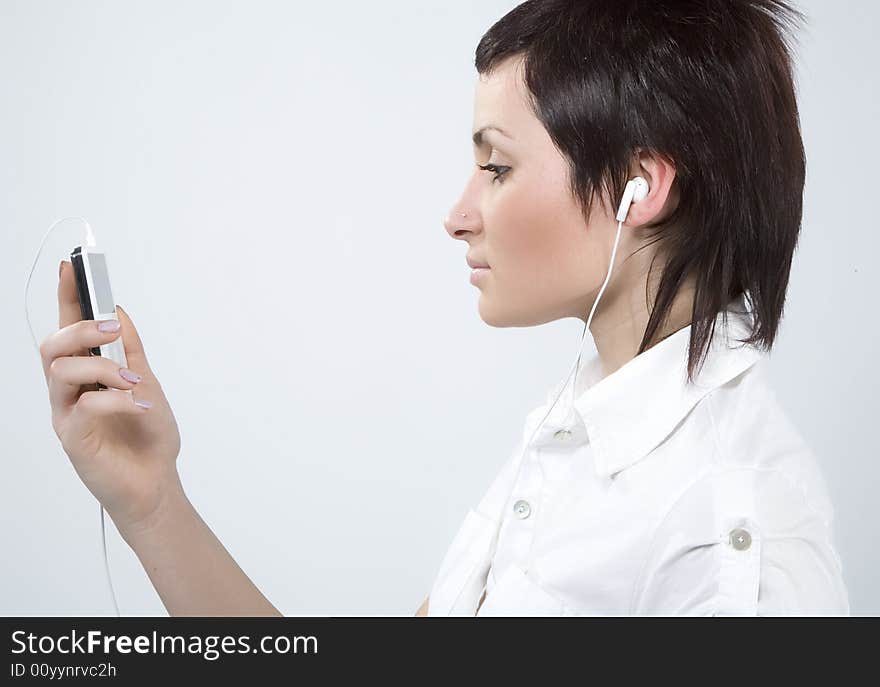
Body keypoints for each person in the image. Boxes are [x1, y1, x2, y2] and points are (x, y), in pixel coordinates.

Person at [38, 0, 849, 617]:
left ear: (643, 187)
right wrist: (151, 498)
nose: (458, 214)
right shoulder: (572, 431)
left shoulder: (734, 523)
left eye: (496, 166)